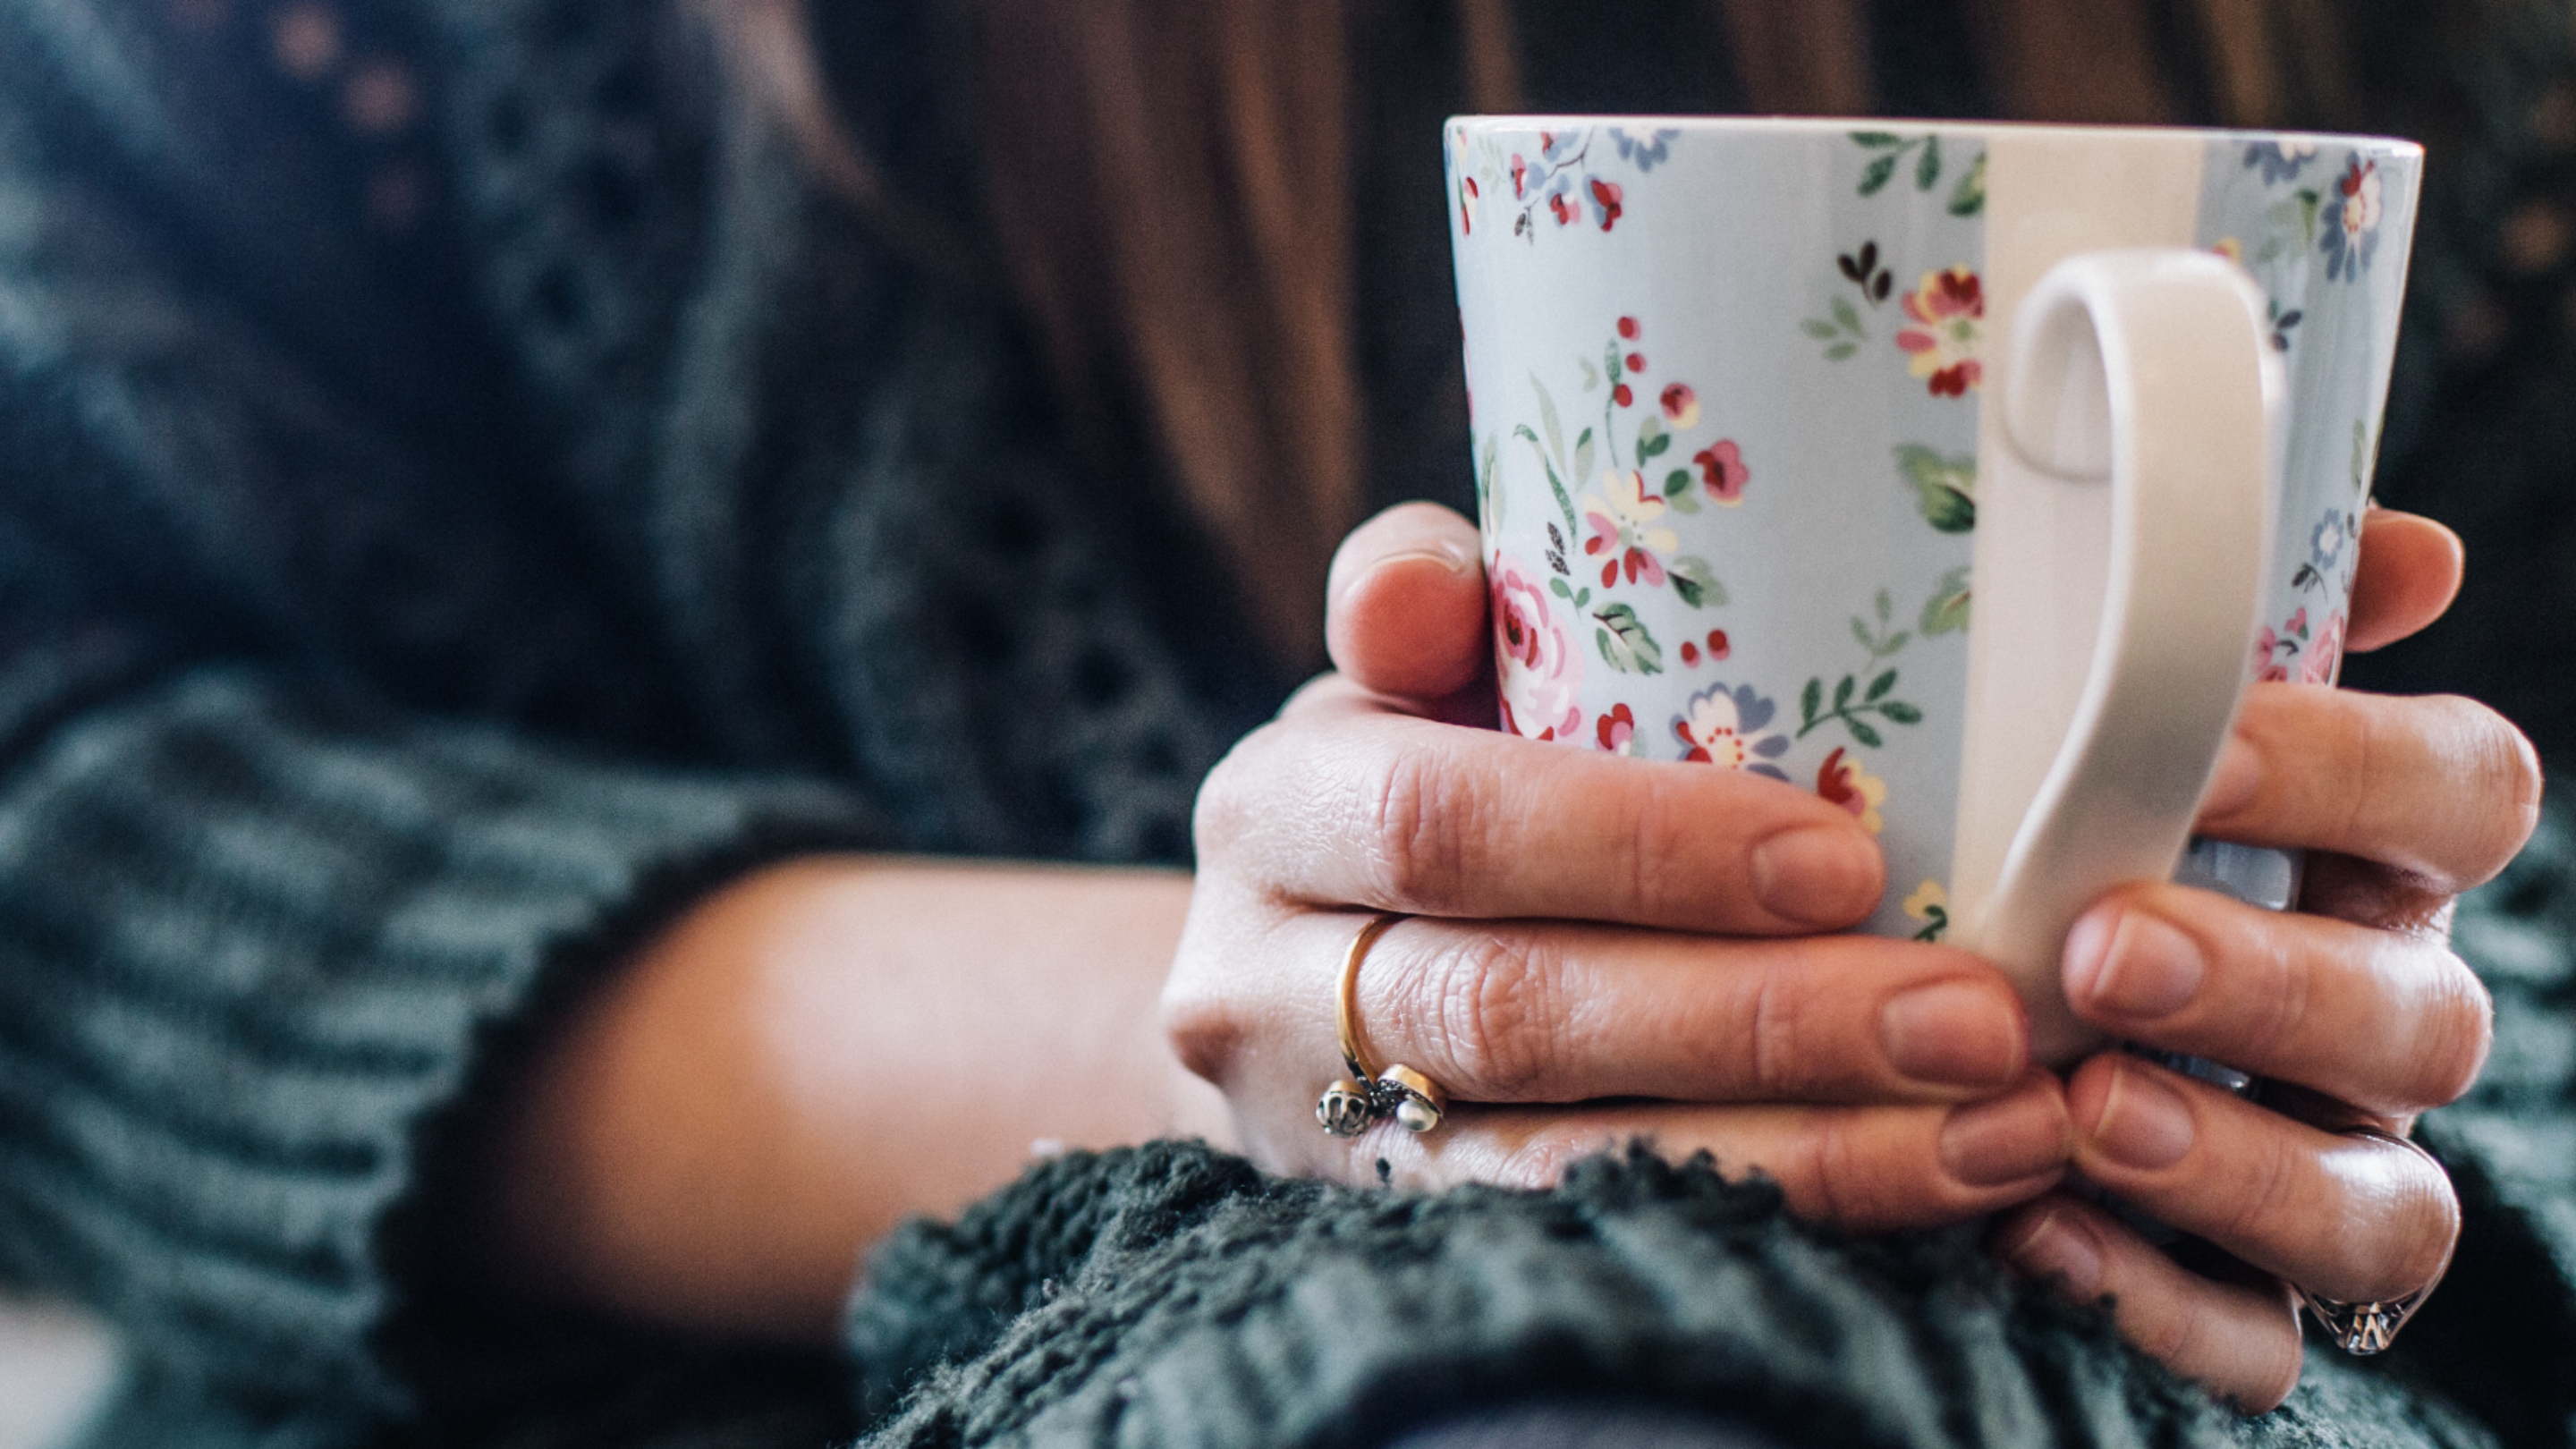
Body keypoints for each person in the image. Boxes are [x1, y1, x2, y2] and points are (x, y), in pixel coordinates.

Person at [0, 0, 2562, 1445]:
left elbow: (2500, 890)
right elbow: (66, 778)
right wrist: (1329, 1031)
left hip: (2178, 1340)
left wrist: (2359, 1074)